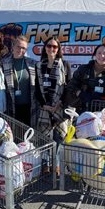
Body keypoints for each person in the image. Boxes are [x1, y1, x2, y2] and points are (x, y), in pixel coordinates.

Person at [35, 36, 72, 174]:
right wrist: (44, 105)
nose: (51, 49)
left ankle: (56, 164)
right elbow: (37, 89)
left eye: (54, 47)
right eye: (49, 46)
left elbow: (69, 88)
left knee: (58, 138)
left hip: (59, 107)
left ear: (58, 49)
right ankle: (45, 164)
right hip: (45, 107)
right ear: (45, 48)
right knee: (44, 137)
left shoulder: (65, 65)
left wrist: (59, 103)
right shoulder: (39, 66)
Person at [66, 43, 105, 113]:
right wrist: (80, 93)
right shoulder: (83, 69)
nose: (102, 56)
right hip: (81, 110)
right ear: (95, 55)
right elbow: (71, 85)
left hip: (102, 113)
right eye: (99, 53)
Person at [2, 35, 38, 127]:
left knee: (29, 134)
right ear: (13, 46)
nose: (20, 50)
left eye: (23, 48)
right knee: (15, 134)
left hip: (29, 107)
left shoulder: (32, 63)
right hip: (12, 107)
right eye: (18, 46)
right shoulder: (4, 63)